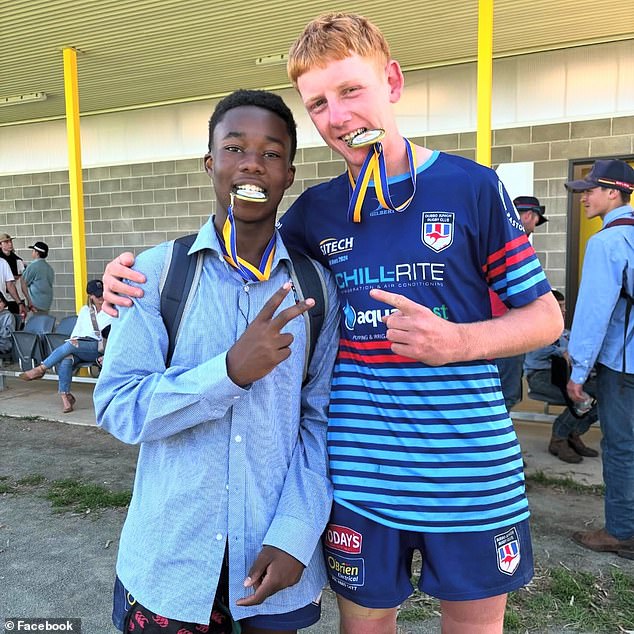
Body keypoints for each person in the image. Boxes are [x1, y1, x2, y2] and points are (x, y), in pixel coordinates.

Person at [101, 13, 563, 633]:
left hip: (472, 472)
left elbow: (546, 317)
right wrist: (119, 283)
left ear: (392, 82)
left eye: (352, 90)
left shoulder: (471, 187)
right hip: (359, 479)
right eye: (318, 103)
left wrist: (458, 342)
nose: (338, 115)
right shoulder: (314, 213)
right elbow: (246, 262)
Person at [94, 90, 339, 634]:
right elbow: (117, 406)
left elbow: (320, 423)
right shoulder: (157, 276)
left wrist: (297, 532)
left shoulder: (315, 288)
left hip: (271, 566)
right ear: (210, 163)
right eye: (234, 147)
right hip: (169, 564)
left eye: (271, 153)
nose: (252, 162)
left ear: (289, 174)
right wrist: (226, 373)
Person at [564, 158, 634, 560]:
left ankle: (622, 531)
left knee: (622, 446)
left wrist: (578, 371)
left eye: (590, 189)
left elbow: (593, 314)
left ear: (614, 192)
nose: (584, 197)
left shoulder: (607, 242)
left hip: (623, 365)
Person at [524, 289, 599, 463]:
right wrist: (562, 351)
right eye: (559, 307)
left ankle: (572, 433)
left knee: (604, 395)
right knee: (580, 397)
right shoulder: (536, 331)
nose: (563, 311)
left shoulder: (566, 333)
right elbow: (537, 353)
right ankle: (558, 437)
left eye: (564, 307)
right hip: (541, 377)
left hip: (563, 377)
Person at [19, 279, 113, 413]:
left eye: (103, 294)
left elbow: (115, 336)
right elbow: (77, 331)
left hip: (99, 347)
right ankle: (66, 398)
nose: (101, 298)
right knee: (66, 358)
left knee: (70, 346)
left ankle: (41, 368)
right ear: (90, 296)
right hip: (81, 345)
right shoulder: (85, 311)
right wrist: (74, 340)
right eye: (98, 295)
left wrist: (105, 353)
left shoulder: (112, 311)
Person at [493, 195, 550, 411]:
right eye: (536, 220)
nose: (535, 226)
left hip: (491, 327)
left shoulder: (491, 238)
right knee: (505, 396)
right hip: (507, 327)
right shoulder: (515, 245)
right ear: (528, 215)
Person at [0, 233, 29, 317]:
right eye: (6, 242)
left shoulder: (16, 260)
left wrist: (22, 301)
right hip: (4, 299)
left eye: (10, 241)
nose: (10, 244)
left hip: (15, 297)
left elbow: (17, 281)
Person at [22, 241, 55, 314]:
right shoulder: (49, 268)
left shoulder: (33, 266)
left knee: (35, 324)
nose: (32, 252)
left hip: (35, 305)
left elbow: (23, 282)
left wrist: (29, 301)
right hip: (46, 303)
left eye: (33, 251)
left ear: (37, 253)